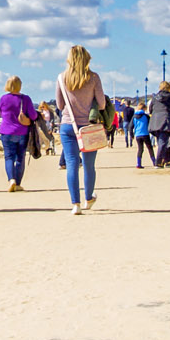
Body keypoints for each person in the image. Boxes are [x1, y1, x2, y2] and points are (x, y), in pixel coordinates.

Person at [54, 44, 109, 215]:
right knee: (89, 165)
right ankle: (88, 199)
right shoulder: (93, 78)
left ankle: (75, 204)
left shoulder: (62, 78)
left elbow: (60, 105)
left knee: (71, 164)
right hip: (89, 127)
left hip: (68, 126)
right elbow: (102, 104)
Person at [0, 75, 38, 191]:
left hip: (6, 131)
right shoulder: (25, 99)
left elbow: (1, 112)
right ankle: (18, 183)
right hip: (22, 132)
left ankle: (11, 180)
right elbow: (33, 115)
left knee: (9, 157)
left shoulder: (3, 99)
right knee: (20, 158)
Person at [147, 81, 170, 167]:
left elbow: (150, 109)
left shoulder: (155, 97)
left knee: (161, 141)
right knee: (163, 142)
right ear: (168, 88)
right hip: (165, 120)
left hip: (155, 121)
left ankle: (167, 160)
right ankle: (158, 162)